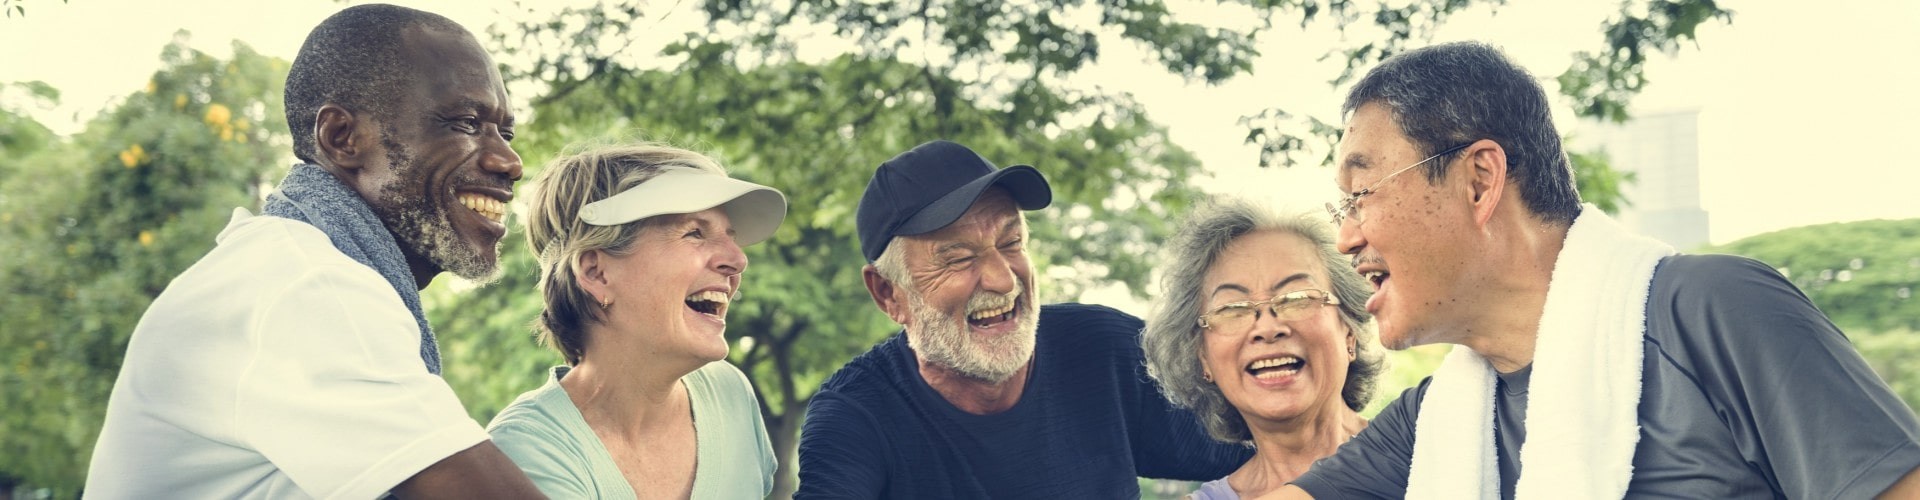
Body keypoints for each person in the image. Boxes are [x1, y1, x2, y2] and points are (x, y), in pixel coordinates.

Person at [1260, 41, 1920, 499]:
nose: (1343, 238)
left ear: (1480, 179)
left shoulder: (1712, 310)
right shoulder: (1436, 420)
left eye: (1360, 194)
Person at [85, 4, 545, 498]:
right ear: (342, 138)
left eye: (506, 133)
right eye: (465, 123)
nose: (510, 162)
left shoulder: (295, 264)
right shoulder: (305, 284)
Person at [794, 139, 1251, 499]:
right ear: (888, 294)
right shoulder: (855, 414)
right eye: (956, 258)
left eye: (1012, 244)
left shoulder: (1105, 352)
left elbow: (1275, 448)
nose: (1000, 279)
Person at [486, 144, 785, 498]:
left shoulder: (730, 393)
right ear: (596, 273)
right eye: (695, 233)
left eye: (730, 237)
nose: (737, 260)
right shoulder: (526, 451)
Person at [1141, 198, 1384, 499]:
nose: (1267, 328)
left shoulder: (1432, 447)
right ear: (1202, 358)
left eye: (1296, 299)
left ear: (1349, 332)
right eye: (1232, 309)